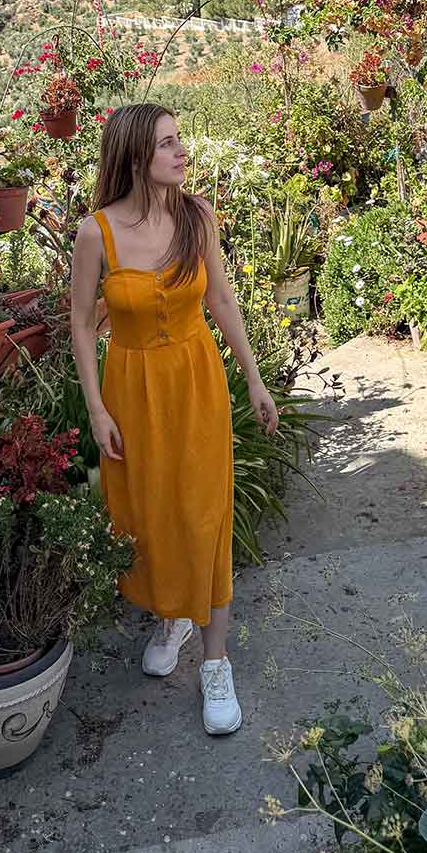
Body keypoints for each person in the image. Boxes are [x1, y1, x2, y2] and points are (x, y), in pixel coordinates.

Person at [70, 102, 279, 735]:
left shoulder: (197, 217)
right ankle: (173, 616)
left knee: (203, 512)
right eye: (168, 143)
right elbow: (81, 323)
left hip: (195, 381)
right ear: (136, 156)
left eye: (180, 140)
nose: (181, 151)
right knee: (150, 512)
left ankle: (215, 663)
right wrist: (96, 407)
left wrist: (254, 376)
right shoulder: (96, 233)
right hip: (132, 389)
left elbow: (219, 297)